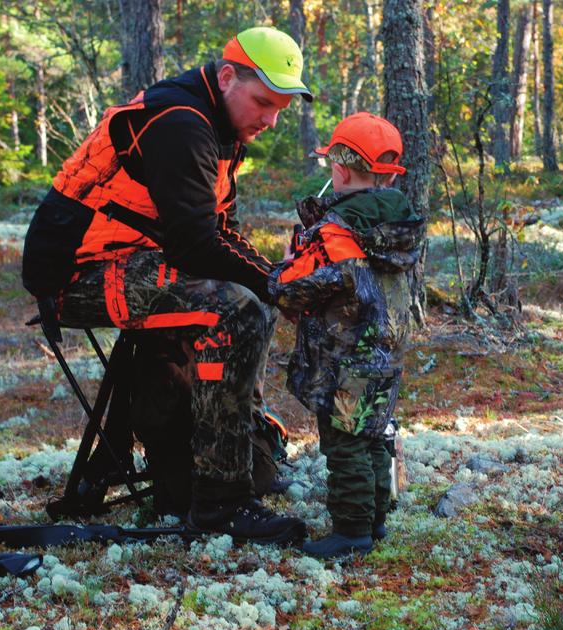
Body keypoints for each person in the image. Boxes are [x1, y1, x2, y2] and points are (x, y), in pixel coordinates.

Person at [21, 27, 310, 544]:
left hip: (129, 258)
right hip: (75, 272)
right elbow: (194, 247)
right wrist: (273, 285)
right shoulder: (182, 124)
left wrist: (275, 280)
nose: (270, 120)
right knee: (237, 310)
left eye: (281, 108)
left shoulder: (219, 126)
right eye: (264, 102)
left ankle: (238, 457)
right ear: (227, 78)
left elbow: (221, 231)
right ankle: (222, 505)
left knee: (255, 303)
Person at [269, 113, 426, 558]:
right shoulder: (400, 226)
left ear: (339, 170)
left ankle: (352, 531)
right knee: (372, 434)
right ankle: (374, 520)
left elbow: (290, 291)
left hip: (346, 355)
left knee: (344, 444)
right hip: (386, 352)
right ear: (390, 172)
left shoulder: (336, 232)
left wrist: (285, 262)